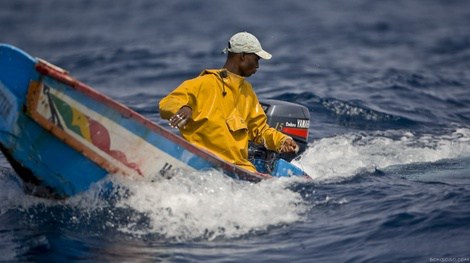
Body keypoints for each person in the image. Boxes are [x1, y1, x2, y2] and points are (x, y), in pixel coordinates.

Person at [159, 32, 298, 172]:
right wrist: (184, 106)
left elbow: (260, 130)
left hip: (239, 169)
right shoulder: (204, 83)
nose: (257, 65)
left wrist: (282, 141)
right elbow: (168, 102)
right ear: (242, 56)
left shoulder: (247, 91)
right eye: (256, 59)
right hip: (199, 159)